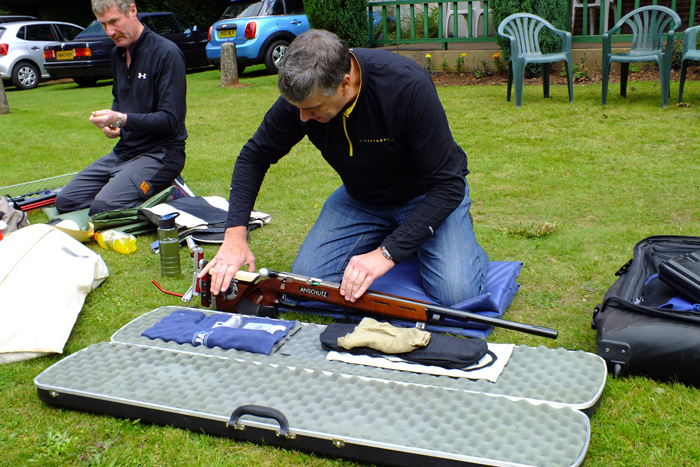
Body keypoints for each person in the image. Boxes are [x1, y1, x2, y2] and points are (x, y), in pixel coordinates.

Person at [201, 29, 488, 306]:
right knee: (309, 284)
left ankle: (453, 237)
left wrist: (385, 254)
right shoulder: (306, 92)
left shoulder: (406, 87)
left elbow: (448, 184)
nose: (302, 117)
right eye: (298, 108)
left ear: (344, 84)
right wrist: (235, 237)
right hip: (361, 199)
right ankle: (407, 239)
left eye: (313, 109)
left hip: (426, 195)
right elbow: (254, 156)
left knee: (457, 292)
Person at [55, 0, 187, 216]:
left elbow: (171, 120)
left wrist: (121, 118)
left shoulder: (166, 53)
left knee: (102, 208)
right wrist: (113, 124)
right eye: (103, 24)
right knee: (66, 201)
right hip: (124, 152)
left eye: (114, 21)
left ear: (133, 10)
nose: (110, 31)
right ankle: (127, 183)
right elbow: (119, 99)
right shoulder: (118, 54)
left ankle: (171, 192)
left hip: (161, 154)